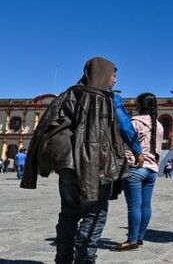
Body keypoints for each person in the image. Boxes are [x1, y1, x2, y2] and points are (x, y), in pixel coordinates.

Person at [21, 57, 143, 264]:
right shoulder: (110, 99)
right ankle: (85, 260)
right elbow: (125, 127)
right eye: (113, 75)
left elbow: (45, 125)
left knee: (68, 214)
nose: (114, 81)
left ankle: (63, 258)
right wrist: (137, 151)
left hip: (68, 166)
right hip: (99, 166)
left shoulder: (68, 95)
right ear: (103, 74)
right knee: (94, 214)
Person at [113, 93, 165, 251]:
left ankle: (132, 240)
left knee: (134, 206)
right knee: (145, 205)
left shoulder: (134, 122)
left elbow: (124, 141)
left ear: (140, 105)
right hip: (152, 169)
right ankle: (140, 237)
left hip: (135, 167)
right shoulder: (159, 125)